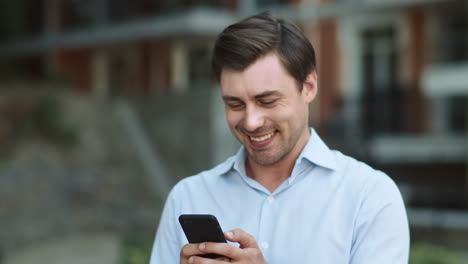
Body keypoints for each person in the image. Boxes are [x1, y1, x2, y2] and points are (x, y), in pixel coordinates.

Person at [150, 12, 409, 264]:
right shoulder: (187, 197)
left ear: (309, 87)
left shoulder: (370, 197)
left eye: (268, 100)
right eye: (235, 104)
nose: (251, 121)